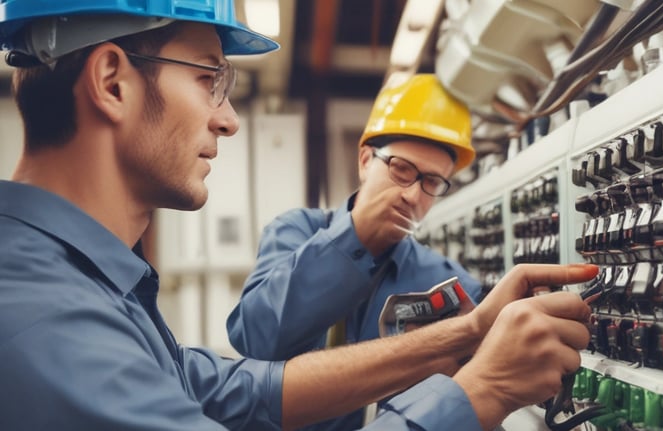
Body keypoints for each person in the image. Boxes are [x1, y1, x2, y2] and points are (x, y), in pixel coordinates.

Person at [0, 1, 597, 431]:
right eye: (211, 78)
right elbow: (259, 341)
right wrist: (482, 390)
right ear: (111, 81)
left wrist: (469, 332)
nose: (229, 118)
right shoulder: (44, 320)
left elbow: (248, 390)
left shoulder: (97, 290)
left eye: (434, 182)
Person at [226, 73, 483, 430]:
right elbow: (256, 339)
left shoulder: (449, 285)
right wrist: (355, 237)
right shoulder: (295, 232)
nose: (412, 195)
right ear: (365, 161)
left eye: (432, 182)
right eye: (401, 169)